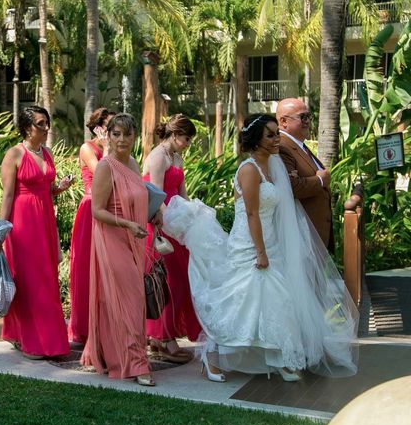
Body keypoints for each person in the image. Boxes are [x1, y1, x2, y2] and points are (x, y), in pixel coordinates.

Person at [163, 114, 358, 382]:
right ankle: (213, 354)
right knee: (241, 302)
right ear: (256, 140)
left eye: (277, 133)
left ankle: (278, 357)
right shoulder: (249, 169)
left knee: (277, 301)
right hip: (249, 244)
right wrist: (261, 251)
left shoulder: (273, 165)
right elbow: (252, 214)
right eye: (271, 135)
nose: (277, 139)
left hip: (271, 242)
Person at [81, 113, 157, 387]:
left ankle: (110, 353)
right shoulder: (105, 167)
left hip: (135, 238)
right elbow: (97, 211)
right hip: (112, 238)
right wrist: (126, 222)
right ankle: (137, 364)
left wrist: (152, 215)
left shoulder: (134, 164)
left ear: (135, 136)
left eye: (127, 134)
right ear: (108, 136)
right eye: (116, 134)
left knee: (124, 300)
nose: (122, 139)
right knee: (132, 300)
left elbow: (139, 198)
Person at [0, 106, 72, 360]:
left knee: (47, 278)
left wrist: (60, 188)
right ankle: (29, 338)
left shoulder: (48, 153)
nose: (46, 128)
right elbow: (8, 194)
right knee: (29, 281)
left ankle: (49, 339)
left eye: (47, 123)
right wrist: (1, 229)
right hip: (22, 224)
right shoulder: (14, 154)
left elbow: (47, 190)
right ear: (27, 127)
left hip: (45, 223)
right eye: (40, 124)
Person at [142, 114, 201, 363]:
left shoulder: (176, 157)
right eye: (186, 139)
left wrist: (191, 215)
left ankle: (162, 338)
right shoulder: (157, 157)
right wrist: (172, 224)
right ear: (175, 134)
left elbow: (181, 192)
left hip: (176, 226)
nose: (188, 144)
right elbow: (156, 196)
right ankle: (162, 339)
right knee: (166, 282)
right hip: (159, 226)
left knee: (180, 281)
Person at [68, 107, 115, 344]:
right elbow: (101, 175)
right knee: (88, 267)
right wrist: (106, 148)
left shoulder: (116, 149)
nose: (113, 131)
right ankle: (85, 327)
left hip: (111, 211)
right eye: (108, 126)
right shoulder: (88, 148)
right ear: (98, 128)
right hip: (91, 210)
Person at [276, 98, 334, 251]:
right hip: (302, 234)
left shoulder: (299, 145)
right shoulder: (282, 147)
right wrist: (321, 180)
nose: (308, 121)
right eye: (303, 117)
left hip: (313, 234)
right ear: (283, 121)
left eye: (309, 116)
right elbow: (292, 187)